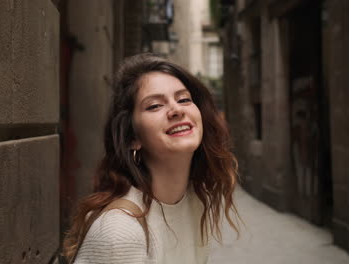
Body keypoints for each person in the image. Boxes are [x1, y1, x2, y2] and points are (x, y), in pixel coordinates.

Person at [63, 53, 241, 264]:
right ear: (133, 138)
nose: (176, 110)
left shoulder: (195, 201)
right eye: (155, 105)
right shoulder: (121, 232)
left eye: (184, 99)